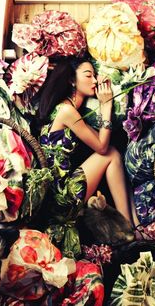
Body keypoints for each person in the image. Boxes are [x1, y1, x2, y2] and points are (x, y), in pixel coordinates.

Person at [35, 57, 132, 227]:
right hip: (61, 200)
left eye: (95, 76)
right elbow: (102, 148)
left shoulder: (68, 112)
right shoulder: (66, 111)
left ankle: (133, 224)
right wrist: (106, 105)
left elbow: (102, 140)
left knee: (115, 154)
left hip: (58, 198)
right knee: (111, 154)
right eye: (88, 76)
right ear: (72, 80)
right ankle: (127, 226)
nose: (94, 81)